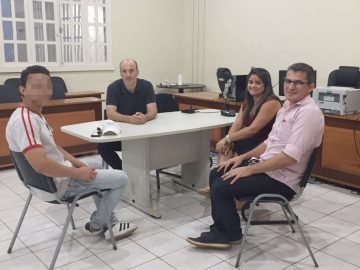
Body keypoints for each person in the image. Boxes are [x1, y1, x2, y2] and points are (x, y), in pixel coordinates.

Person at [187, 63, 324, 249]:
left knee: (221, 187)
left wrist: (248, 169)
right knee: (217, 172)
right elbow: (269, 143)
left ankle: (225, 234)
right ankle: (228, 229)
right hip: (269, 168)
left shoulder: (308, 113)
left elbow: (289, 157)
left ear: (310, 86)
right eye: (288, 81)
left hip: (283, 179)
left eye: (298, 83)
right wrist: (242, 159)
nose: (291, 87)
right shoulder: (287, 107)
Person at [6, 65, 137, 240]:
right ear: (22, 90)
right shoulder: (25, 121)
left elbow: (54, 147)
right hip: (56, 185)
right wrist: (77, 172)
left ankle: (109, 222)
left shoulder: (33, 115)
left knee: (97, 167)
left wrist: (77, 162)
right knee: (121, 178)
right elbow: (41, 165)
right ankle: (97, 224)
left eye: (47, 85)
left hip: (46, 181)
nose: (44, 91)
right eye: (37, 86)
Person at [198, 67, 281, 196]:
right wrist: (228, 140)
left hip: (263, 144)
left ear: (266, 85)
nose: (253, 86)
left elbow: (253, 129)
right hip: (249, 140)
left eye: (258, 83)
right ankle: (218, 185)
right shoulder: (247, 101)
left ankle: (225, 188)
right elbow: (237, 123)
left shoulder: (272, 102)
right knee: (225, 148)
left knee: (233, 147)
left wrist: (228, 138)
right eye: (250, 82)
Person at [97, 58, 157, 170]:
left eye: (131, 70)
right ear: (120, 73)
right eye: (124, 71)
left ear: (137, 72)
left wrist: (145, 117)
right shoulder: (113, 88)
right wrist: (130, 119)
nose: (128, 74)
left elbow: (153, 111)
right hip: (122, 134)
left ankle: (142, 170)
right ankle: (124, 172)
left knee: (161, 142)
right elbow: (110, 114)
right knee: (102, 146)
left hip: (143, 133)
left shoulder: (146, 86)